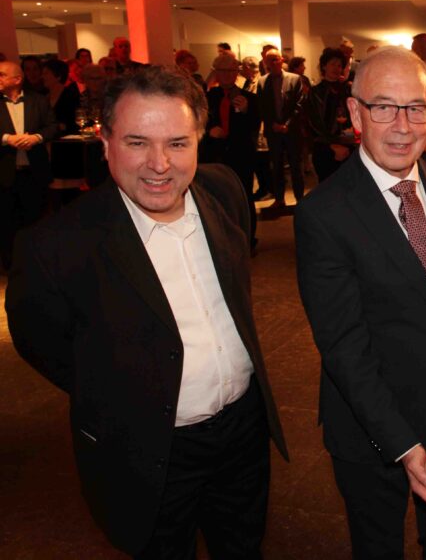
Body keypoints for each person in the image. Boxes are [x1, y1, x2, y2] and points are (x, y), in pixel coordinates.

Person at [6, 65, 288, 558]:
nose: (160, 164)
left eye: (178, 143)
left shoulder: (224, 192)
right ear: (105, 141)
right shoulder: (54, 246)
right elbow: (42, 344)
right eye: (137, 142)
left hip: (243, 434)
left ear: (199, 141)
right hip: (147, 448)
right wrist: (123, 387)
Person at [294, 46, 426, 558]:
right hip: (373, 428)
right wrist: (404, 446)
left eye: (416, 107)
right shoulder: (323, 213)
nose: (402, 126)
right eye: (383, 107)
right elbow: (344, 347)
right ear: (356, 113)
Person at [0, 61, 57, 270]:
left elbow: (53, 126)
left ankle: (38, 266)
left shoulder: (38, 100)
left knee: (36, 221)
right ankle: (12, 268)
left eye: (1, 74)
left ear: (17, 79)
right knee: (6, 223)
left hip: (34, 173)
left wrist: (36, 138)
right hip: (4, 174)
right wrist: (7, 139)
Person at [203, 53, 261, 250]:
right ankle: (222, 240)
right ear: (216, 73)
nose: (227, 75)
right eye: (222, 71)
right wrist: (210, 131)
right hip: (215, 157)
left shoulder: (249, 98)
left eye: (231, 71)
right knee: (216, 198)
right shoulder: (207, 98)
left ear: (237, 73)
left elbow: (255, 125)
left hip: (241, 156)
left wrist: (245, 111)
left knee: (243, 197)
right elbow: (197, 124)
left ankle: (248, 240)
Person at [257, 47, 306, 210]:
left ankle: (300, 199)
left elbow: (299, 104)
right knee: (276, 167)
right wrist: (272, 124)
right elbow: (262, 107)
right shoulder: (262, 82)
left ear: (281, 60)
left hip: (292, 132)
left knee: (296, 166)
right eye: (269, 60)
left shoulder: (295, 79)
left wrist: (288, 124)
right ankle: (279, 200)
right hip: (273, 132)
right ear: (265, 62)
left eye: (275, 59)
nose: (273, 63)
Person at [304, 47, 355, 182]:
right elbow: (313, 122)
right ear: (324, 66)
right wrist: (333, 146)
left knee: (349, 186)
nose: (336, 68)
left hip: (349, 146)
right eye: (333, 64)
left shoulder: (348, 90)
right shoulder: (315, 92)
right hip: (325, 147)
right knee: (328, 187)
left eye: (339, 65)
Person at [41, 58, 81, 136]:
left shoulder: (70, 96)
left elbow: (75, 123)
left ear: (58, 76)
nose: (42, 77)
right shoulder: (43, 97)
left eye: (46, 73)